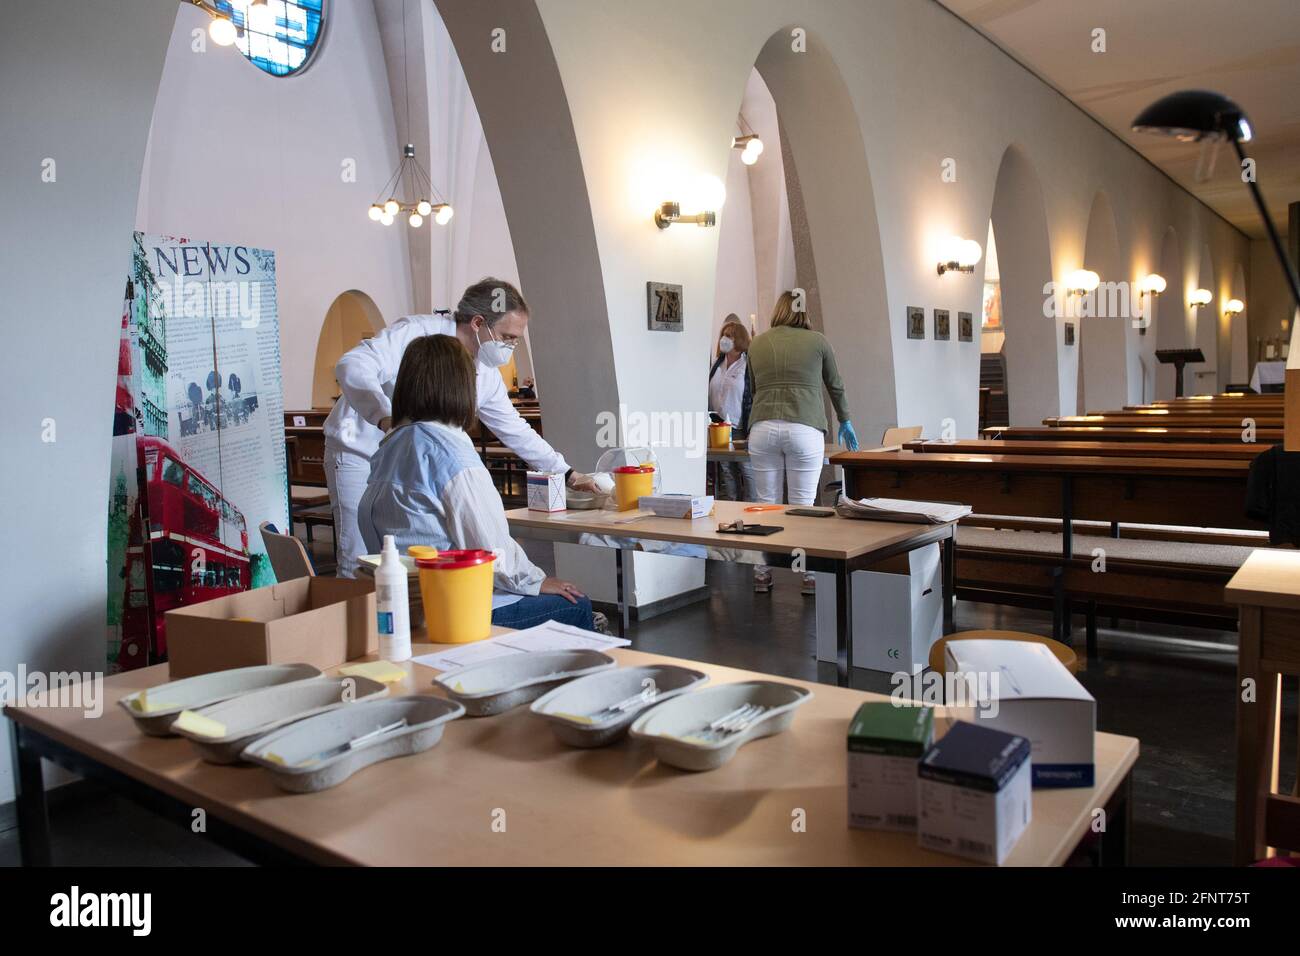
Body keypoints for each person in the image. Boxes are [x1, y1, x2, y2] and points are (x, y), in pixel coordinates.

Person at [323, 277, 597, 577]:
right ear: (478, 322)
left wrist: (567, 472)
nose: (510, 346)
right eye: (507, 337)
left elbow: (514, 429)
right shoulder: (417, 334)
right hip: (360, 450)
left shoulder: (486, 371)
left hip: (417, 464)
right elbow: (352, 366)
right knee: (359, 555)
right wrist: (388, 420)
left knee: (411, 556)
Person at [357, 334, 595, 631]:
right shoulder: (451, 456)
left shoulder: (391, 445)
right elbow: (489, 547)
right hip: (454, 608)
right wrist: (536, 580)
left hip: (404, 599)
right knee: (577, 604)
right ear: (463, 386)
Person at [745, 291, 860, 594]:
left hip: (763, 427)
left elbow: (753, 388)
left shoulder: (757, 343)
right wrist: (845, 419)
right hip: (804, 427)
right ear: (803, 311)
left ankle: (761, 573)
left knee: (765, 505)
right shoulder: (818, 341)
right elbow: (835, 385)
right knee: (803, 506)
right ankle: (808, 576)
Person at [707, 315, 753, 500]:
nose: (725, 339)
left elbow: (752, 395)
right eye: (724, 335)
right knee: (727, 472)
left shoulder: (747, 365)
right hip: (719, 428)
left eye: (730, 336)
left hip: (739, 426)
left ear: (739, 340)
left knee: (747, 471)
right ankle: (733, 506)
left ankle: (753, 507)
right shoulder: (717, 364)